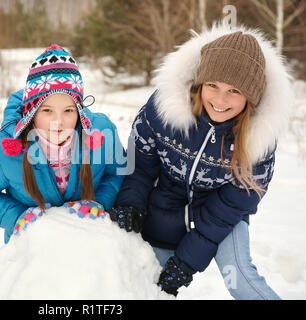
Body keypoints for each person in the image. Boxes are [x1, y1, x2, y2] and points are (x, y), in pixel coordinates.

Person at [110, 25, 293, 299]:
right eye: (213, 85)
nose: (220, 99)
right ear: (199, 82)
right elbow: (139, 166)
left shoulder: (257, 144)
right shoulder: (164, 111)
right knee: (146, 283)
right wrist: (130, 205)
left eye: (234, 91)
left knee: (239, 278)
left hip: (220, 215)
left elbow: (229, 209)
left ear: (251, 98)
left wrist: (186, 262)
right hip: (164, 205)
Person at [0, 44, 125, 243]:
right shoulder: (5, 148)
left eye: (68, 111)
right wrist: (15, 217)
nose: (58, 121)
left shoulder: (102, 133)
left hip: (88, 243)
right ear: (32, 113)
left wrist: (99, 201)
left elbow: (118, 173)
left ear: (79, 112)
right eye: (47, 111)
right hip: (33, 249)